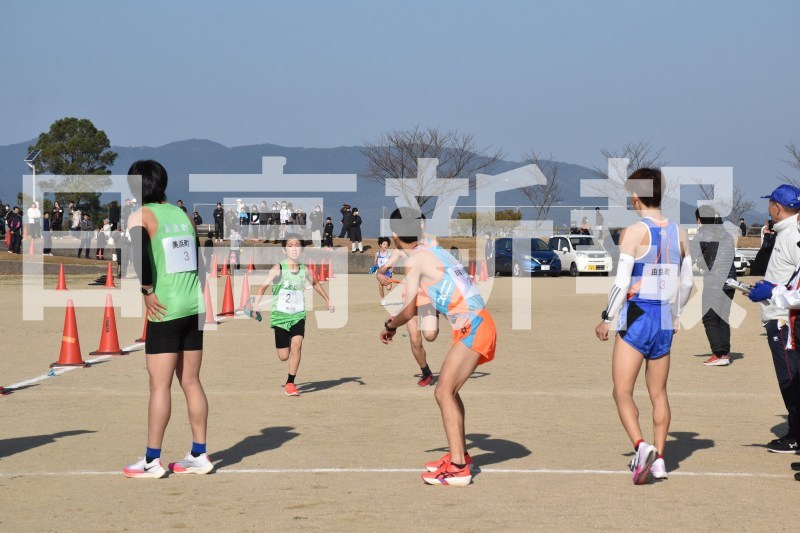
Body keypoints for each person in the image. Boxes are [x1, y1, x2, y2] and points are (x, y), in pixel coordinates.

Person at [380, 207, 496, 486]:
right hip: (477, 322)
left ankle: (458, 467)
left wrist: (389, 325)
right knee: (449, 392)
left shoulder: (416, 260)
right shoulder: (433, 249)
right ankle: (460, 456)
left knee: (443, 392)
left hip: (473, 325)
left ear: (394, 235)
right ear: (420, 229)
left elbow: (408, 311)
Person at [594, 168, 693, 485]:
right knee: (659, 393)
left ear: (636, 196)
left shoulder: (634, 232)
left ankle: (641, 446)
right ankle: (660, 459)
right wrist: (676, 314)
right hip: (664, 315)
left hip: (638, 314)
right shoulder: (680, 232)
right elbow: (687, 283)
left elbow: (622, 282)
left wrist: (607, 318)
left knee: (621, 390)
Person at [123, 159, 210, 479]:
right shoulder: (183, 214)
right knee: (191, 381)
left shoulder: (140, 216)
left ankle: (151, 460)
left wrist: (147, 290)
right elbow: (200, 262)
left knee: (159, 385)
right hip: (193, 305)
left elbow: (139, 256)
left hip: (165, 309)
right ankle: (199, 454)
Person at [746, 184, 800, 453]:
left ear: (777, 207)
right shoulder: (785, 232)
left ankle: (796, 434)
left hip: (785, 320)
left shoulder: (793, 234)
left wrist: (773, 292)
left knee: (790, 379)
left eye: (770, 203)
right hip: (780, 314)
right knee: (790, 378)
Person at [252, 235, 334, 396]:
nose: (294, 248)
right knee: (283, 356)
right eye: (290, 245)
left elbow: (315, 283)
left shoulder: (304, 270)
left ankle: (290, 383)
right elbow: (262, 287)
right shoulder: (278, 268)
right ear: (284, 250)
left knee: (297, 344)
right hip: (280, 317)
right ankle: (287, 342)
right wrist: (255, 308)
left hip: (298, 314)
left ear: (301, 249)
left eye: (297, 245)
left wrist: (327, 300)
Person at [691, 206, 736, 366]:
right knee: (723, 318)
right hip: (730, 282)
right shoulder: (727, 235)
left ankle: (718, 354)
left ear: (699, 220)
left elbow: (690, 256)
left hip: (714, 283)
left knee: (709, 318)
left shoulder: (703, 235)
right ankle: (724, 354)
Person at [372, 237, 393, 305]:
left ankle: (388, 284)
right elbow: (375, 262)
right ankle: (383, 299)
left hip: (387, 272)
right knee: (381, 286)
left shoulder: (389, 254)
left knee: (389, 288)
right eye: (384, 244)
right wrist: (374, 267)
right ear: (380, 245)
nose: (385, 246)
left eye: (387, 244)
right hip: (380, 273)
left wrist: (391, 270)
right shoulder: (377, 254)